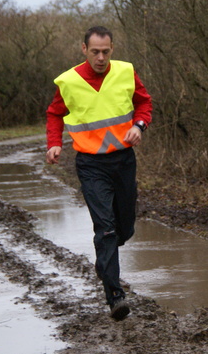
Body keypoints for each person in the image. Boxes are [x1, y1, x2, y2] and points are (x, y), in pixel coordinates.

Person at [45, 26, 152, 321]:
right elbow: (54, 113)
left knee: (124, 228)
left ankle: (104, 260)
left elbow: (144, 103)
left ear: (112, 49)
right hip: (91, 165)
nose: (101, 57)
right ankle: (115, 295)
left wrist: (139, 126)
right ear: (84, 49)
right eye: (95, 52)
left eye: (106, 51)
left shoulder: (126, 72)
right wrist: (54, 143)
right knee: (105, 228)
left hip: (123, 160)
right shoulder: (68, 81)